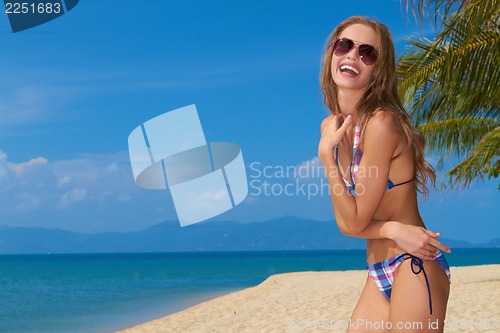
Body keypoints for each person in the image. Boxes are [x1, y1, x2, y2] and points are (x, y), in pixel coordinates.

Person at [318, 16, 451, 332]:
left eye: (367, 53)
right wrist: (393, 230)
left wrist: (325, 157)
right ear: (332, 54)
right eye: (345, 45)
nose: (352, 56)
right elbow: (348, 223)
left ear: (378, 70)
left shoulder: (381, 124)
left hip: (414, 264)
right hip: (377, 271)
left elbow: (354, 222)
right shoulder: (332, 128)